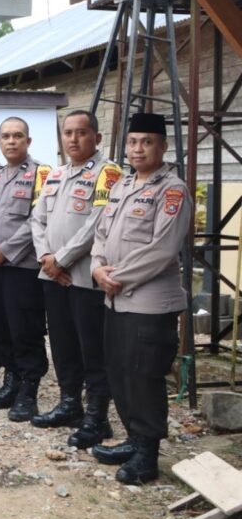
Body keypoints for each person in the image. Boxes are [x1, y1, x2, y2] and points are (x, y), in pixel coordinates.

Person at [91, 112, 191, 485]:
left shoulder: (172, 190)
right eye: (133, 142)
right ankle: (133, 439)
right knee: (119, 371)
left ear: (162, 147)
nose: (138, 148)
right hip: (115, 298)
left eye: (147, 142)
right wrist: (97, 267)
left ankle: (147, 454)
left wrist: (115, 277)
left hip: (148, 302)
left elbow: (162, 249)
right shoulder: (122, 184)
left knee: (144, 376)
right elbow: (101, 232)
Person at [30, 110, 122, 448]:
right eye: (68, 132)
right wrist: (46, 259)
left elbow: (97, 222)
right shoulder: (55, 175)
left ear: (96, 137)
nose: (73, 138)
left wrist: (62, 260)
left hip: (84, 277)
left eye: (81, 132)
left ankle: (97, 417)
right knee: (63, 343)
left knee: (91, 348)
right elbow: (36, 220)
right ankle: (70, 404)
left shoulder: (107, 173)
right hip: (53, 275)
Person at [0, 117, 52, 421]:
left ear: (28, 141)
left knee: (25, 328)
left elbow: (36, 220)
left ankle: (29, 391)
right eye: (6, 136)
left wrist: (5, 251)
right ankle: (12, 381)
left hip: (22, 266)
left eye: (17, 136)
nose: (11, 141)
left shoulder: (41, 174)